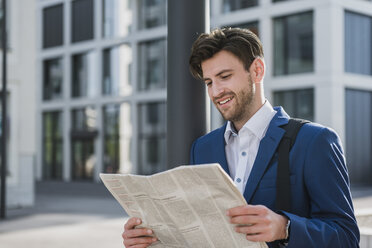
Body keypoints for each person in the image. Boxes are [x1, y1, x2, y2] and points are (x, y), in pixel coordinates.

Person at [121, 28, 360, 247]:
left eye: (224, 76)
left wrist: (285, 227)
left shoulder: (315, 141)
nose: (216, 92)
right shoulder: (203, 148)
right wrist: (150, 240)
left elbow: (347, 237)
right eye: (209, 82)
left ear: (257, 70)